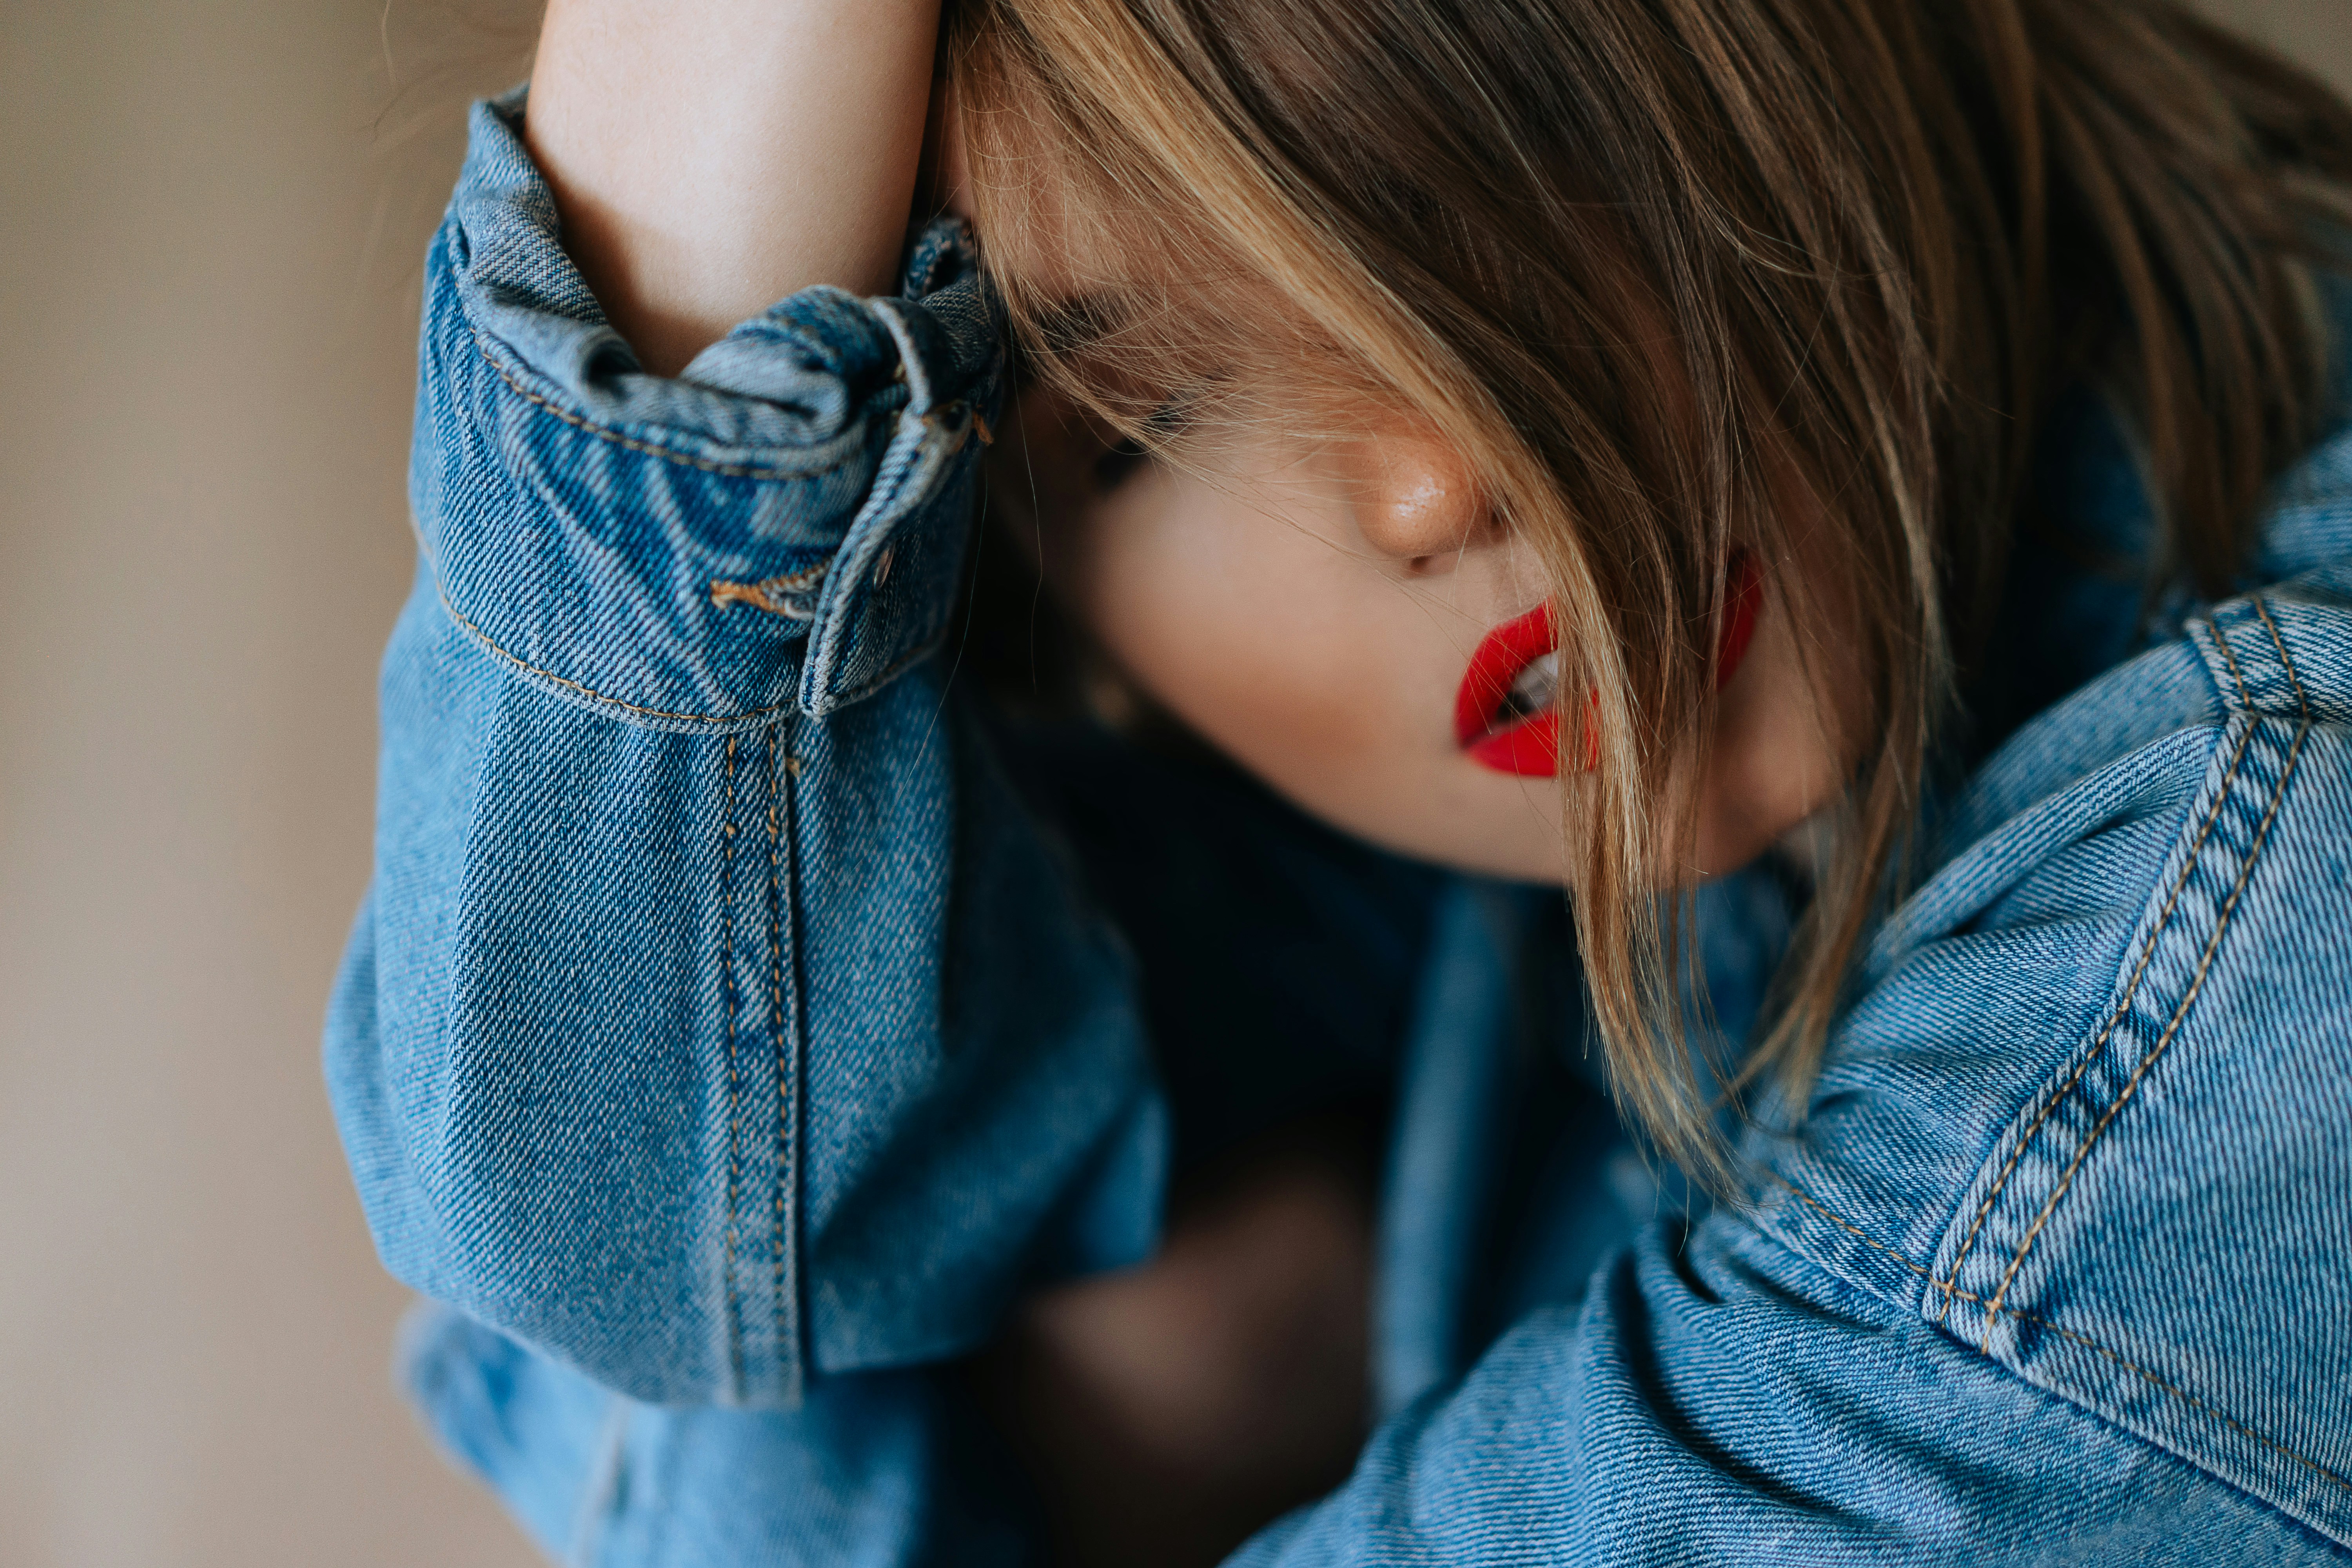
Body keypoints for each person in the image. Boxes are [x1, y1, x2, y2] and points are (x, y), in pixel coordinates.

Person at [325, 0, 2352, 1560]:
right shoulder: (1477, 883)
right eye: (1146, 421)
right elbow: (613, 1212)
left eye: (1454, 176)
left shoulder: (2283, 893)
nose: (1427, 484)